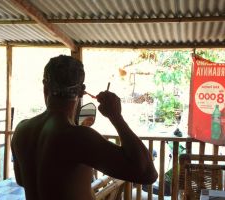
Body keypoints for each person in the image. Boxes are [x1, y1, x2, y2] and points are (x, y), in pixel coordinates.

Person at [11, 55, 158, 200]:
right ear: (82, 91)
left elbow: (22, 180)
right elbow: (147, 173)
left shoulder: (22, 130)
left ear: (45, 85)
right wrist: (116, 117)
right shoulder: (77, 137)